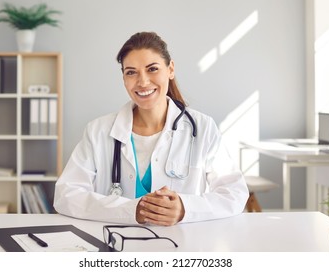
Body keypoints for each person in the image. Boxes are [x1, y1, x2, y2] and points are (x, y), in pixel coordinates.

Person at [53, 31, 248, 226]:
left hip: (182, 246)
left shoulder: (202, 128)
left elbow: (234, 193)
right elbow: (66, 195)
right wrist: (128, 211)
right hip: (115, 245)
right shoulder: (98, 131)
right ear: (123, 78)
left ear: (170, 69)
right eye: (131, 72)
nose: (143, 82)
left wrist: (185, 208)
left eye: (152, 69)